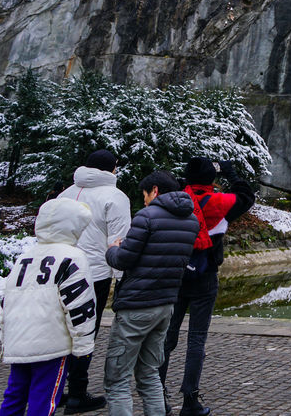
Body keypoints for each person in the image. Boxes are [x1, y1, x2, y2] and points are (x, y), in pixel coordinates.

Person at [160, 157, 256, 416]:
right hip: (205, 276)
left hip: (176, 274)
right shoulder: (220, 202)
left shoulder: (176, 199)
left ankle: (157, 395)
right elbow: (245, 196)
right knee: (196, 338)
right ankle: (190, 400)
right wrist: (231, 172)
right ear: (212, 179)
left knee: (166, 336)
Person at [103, 170, 199, 416]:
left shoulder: (146, 216)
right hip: (165, 305)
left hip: (136, 305)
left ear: (154, 190)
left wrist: (112, 249)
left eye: (144, 194)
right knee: (149, 374)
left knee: (118, 380)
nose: (144, 200)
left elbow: (124, 260)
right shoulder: (191, 220)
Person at [0, 198, 98, 416]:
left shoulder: (24, 257)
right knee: (43, 401)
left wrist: (5, 337)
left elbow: (7, 300)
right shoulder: (72, 257)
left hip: (19, 341)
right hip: (52, 344)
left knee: (14, 396)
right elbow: (80, 305)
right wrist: (83, 346)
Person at [58, 149, 133, 414]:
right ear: (112, 169)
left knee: (60, 329)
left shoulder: (66, 193)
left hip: (61, 270)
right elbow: (119, 241)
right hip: (94, 274)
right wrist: (121, 278)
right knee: (86, 331)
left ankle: (56, 390)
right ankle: (78, 392)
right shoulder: (115, 197)